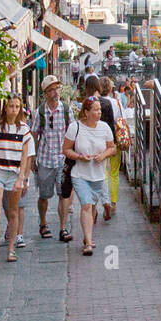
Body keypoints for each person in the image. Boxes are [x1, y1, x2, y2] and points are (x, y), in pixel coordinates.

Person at [0, 94, 34, 268]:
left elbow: (25, 156)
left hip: (14, 174)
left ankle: (11, 249)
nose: (14, 110)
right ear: (5, 107)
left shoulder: (24, 130)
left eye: (17, 107)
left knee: (13, 213)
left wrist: (22, 178)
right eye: (11, 106)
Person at [64, 95, 116, 256]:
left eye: (100, 109)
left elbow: (112, 148)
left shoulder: (105, 128)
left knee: (92, 206)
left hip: (98, 175)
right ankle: (88, 242)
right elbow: (66, 149)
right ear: (86, 112)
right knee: (86, 205)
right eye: (96, 110)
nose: (99, 112)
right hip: (80, 173)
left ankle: (89, 235)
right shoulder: (75, 128)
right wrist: (79, 157)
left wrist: (104, 155)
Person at [31, 75, 74, 243]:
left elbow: (72, 131)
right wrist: (33, 157)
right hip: (45, 159)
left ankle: (63, 228)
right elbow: (34, 135)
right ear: (46, 93)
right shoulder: (40, 112)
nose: (56, 92)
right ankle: (43, 223)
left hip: (62, 160)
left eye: (57, 88)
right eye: (52, 90)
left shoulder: (65, 109)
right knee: (44, 195)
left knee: (64, 195)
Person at [99, 76, 126, 219]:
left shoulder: (96, 102)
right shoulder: (116, 103)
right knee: (114, 173)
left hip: (99, 142)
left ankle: (105, 201)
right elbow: (120, 121)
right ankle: (113, 202)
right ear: (110, 88)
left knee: (102, 172)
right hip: (114, 140)